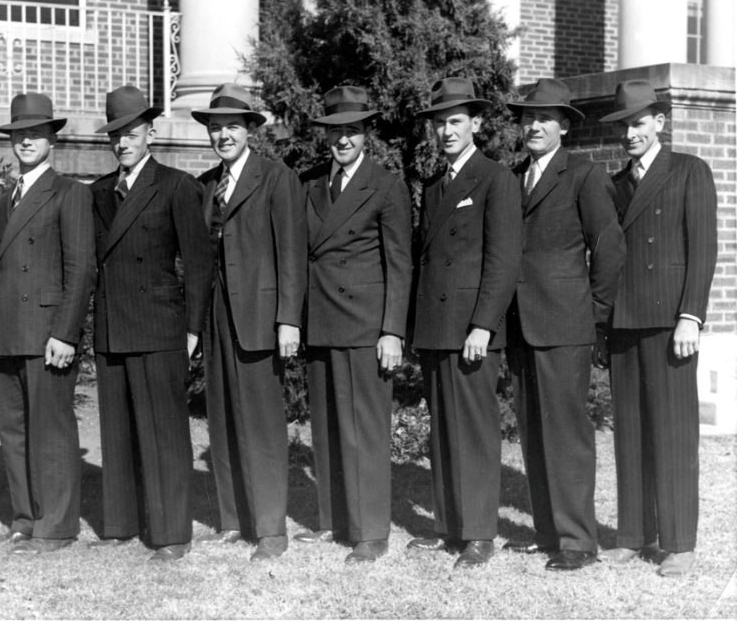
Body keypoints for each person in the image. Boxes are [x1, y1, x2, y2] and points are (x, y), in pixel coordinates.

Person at [503, 78, 625, 571]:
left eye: (545, 119)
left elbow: (609, 246)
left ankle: (578, 542)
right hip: (520, 325)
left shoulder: (584, 175)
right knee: (533, 430)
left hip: (566, 323)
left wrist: (593, 313)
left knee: (567, 435)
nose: (534, 126)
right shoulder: (513, 177)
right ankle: (548, 531)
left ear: (564, 128)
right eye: (529, 118)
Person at [597, 80, 717, 577]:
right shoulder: (614, 182)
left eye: (639, 122)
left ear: (659, 123)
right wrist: (603, 324)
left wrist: (691, 315)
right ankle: (632, 534)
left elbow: (703, 248)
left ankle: (679, 541)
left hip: (670, 322)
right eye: (623, 125)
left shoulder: (690, 170)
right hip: (624, 321)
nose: (630, 133)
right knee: (629, 432)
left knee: (671, 432)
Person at [88, 86, 212, 562]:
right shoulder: (98, 192)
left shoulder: (177, 186)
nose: (122, 143)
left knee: (163, 432)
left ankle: (171, 532)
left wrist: (193, 329)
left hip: (160, 325)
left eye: (131, 134)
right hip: (113, 323)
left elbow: (199, 264)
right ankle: (120, 522)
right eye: (115, 135)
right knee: (117, 429)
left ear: (150, 134)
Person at [407, 78, 522, 567]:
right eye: (439, 123)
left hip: (472, 329)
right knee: (442, 430)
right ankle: (448, 524)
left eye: (455, 121)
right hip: (436, 325)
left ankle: (478, 532)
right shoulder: (434, 186)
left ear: (476, 124)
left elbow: (502, 260)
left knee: (473, 430)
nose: (446, 130)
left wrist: (484, 325)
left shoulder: (496, 178)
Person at [296, 86, 411, 564]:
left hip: (365, 324)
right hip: (320, 319)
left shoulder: (386, 185)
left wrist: (392, 330)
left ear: (366, 134)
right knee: (325, 427)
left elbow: (399, 263)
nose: (343, 140)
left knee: (363, 429)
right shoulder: (310, 183)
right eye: (335, 132)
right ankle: (334, 520)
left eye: (352, 131)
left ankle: (370, 531)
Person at [194, 83, 307, 562]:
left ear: (250, 132)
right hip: (218, 315)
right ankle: (233, 519)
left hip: (261, 316)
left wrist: (288, 319)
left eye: (232, 128)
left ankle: (270, 530)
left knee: (260, 423)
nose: (223, 136)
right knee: (220, 418)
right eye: (216, 128)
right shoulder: (205, 184)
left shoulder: (276, 178)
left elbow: (292, 252)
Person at [0, 93, 95, 555]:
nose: (26, 141)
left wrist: (65, 333)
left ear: (52, 139)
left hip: (47, 332)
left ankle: (56, 526)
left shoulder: (70, 192)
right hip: (7, 331)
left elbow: (81, 268)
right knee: (13, 429)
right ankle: (25, 518)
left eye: (36, 134)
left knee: (50, 428)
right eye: (19, 135)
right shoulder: (2, 195)